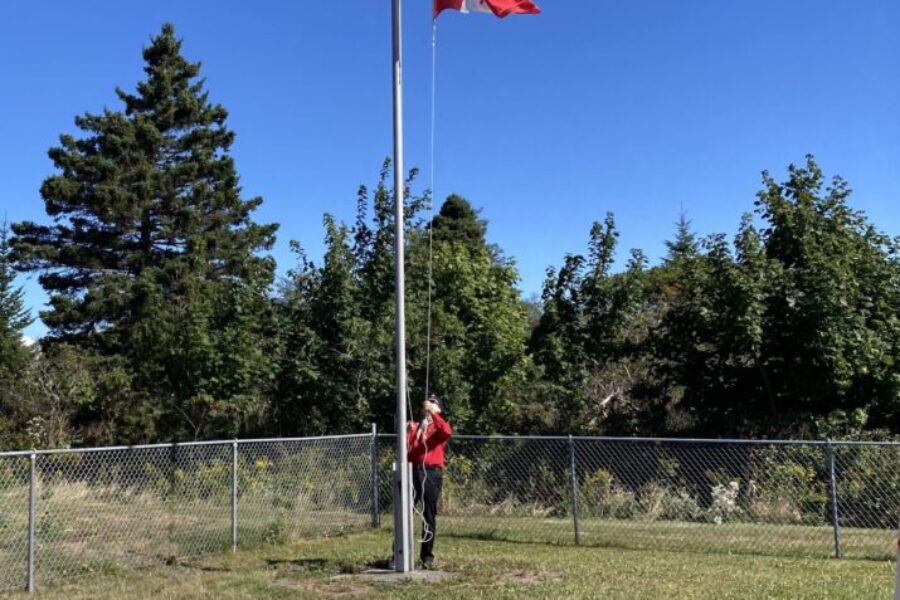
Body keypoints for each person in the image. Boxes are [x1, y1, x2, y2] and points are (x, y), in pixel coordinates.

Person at [407, 394, 452, 569]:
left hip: (431, 474)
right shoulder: (416, 427)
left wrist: (433, 414)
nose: (429, 405)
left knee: (428, 516)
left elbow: (447, 432)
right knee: (405, 513)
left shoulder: (439, 427)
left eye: (434, 404)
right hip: (412, 471)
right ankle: (399, 553)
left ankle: (427, 556)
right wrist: (410, 432)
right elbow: (409, 449)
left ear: (438, 409)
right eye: (428, 403)